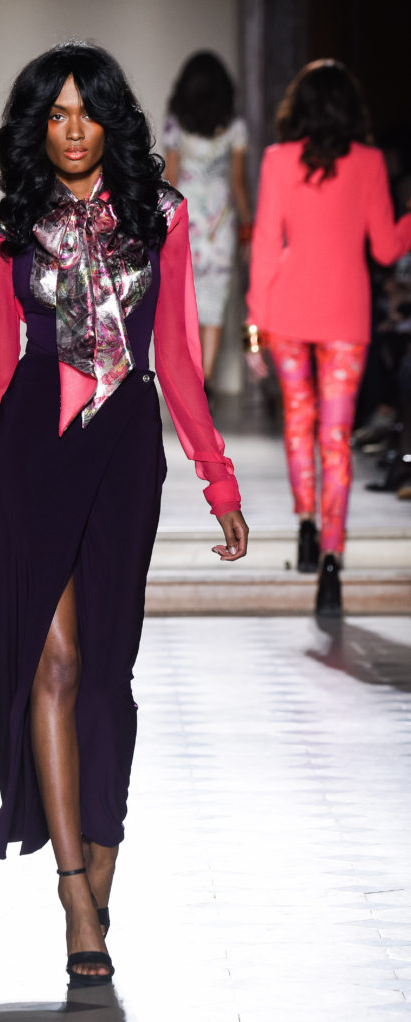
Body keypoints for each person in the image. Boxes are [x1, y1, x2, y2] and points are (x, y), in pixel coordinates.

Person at [0, 42, 248, 986]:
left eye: (87, 112)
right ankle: (76, 896)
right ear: (37, 127)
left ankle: (102, 859)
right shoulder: (6, 229)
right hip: (32, 449)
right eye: (55, 114)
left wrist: (218, 475)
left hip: (125, 452)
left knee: (109, 675)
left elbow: (179, 362)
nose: (72, 129)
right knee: (59, 660)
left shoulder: (161, 218)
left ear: (111, 120)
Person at [246, 59, 411, 615]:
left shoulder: (276, 160)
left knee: (299, 422)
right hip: (346, 314)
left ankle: (307, 525)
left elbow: (266, 245)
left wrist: (253, 330)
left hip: (288, 312)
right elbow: (387, 249)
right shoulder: (366, 164)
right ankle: (334, 560)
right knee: (335, 438)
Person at [163, 51, 252, 391]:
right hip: (219, 225)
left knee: (185, 301)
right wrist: (246, 228)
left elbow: (170, 178)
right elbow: (238, 184)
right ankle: (207, 380)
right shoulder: (235, 126)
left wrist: (161, 225)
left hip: (185, 221)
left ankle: (190, 379)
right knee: (214, 303)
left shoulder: (175, 123)